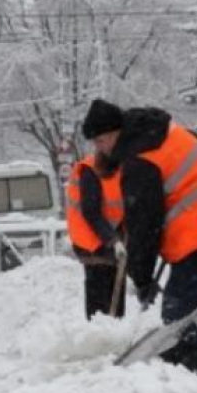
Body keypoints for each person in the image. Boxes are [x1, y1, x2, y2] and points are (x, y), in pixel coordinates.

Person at [88, 100, 197, 374]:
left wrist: (142, 278)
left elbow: (144, 227)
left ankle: (184, 379)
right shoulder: (159, 131)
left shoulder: (140, 161)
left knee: (179, 320)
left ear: (116, 132)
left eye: (101, 140)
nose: (99, 149)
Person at [67, 99, 126, 320]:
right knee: (101, 301)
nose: (99, 146)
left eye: (101, 140)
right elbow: (90, 211)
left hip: (108, 241)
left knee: (114, 297)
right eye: (96, 142)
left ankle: (114, 336)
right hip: (92, 244)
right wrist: (114, 240)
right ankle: (100, 341)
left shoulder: (118, 165)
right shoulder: (90, 170)